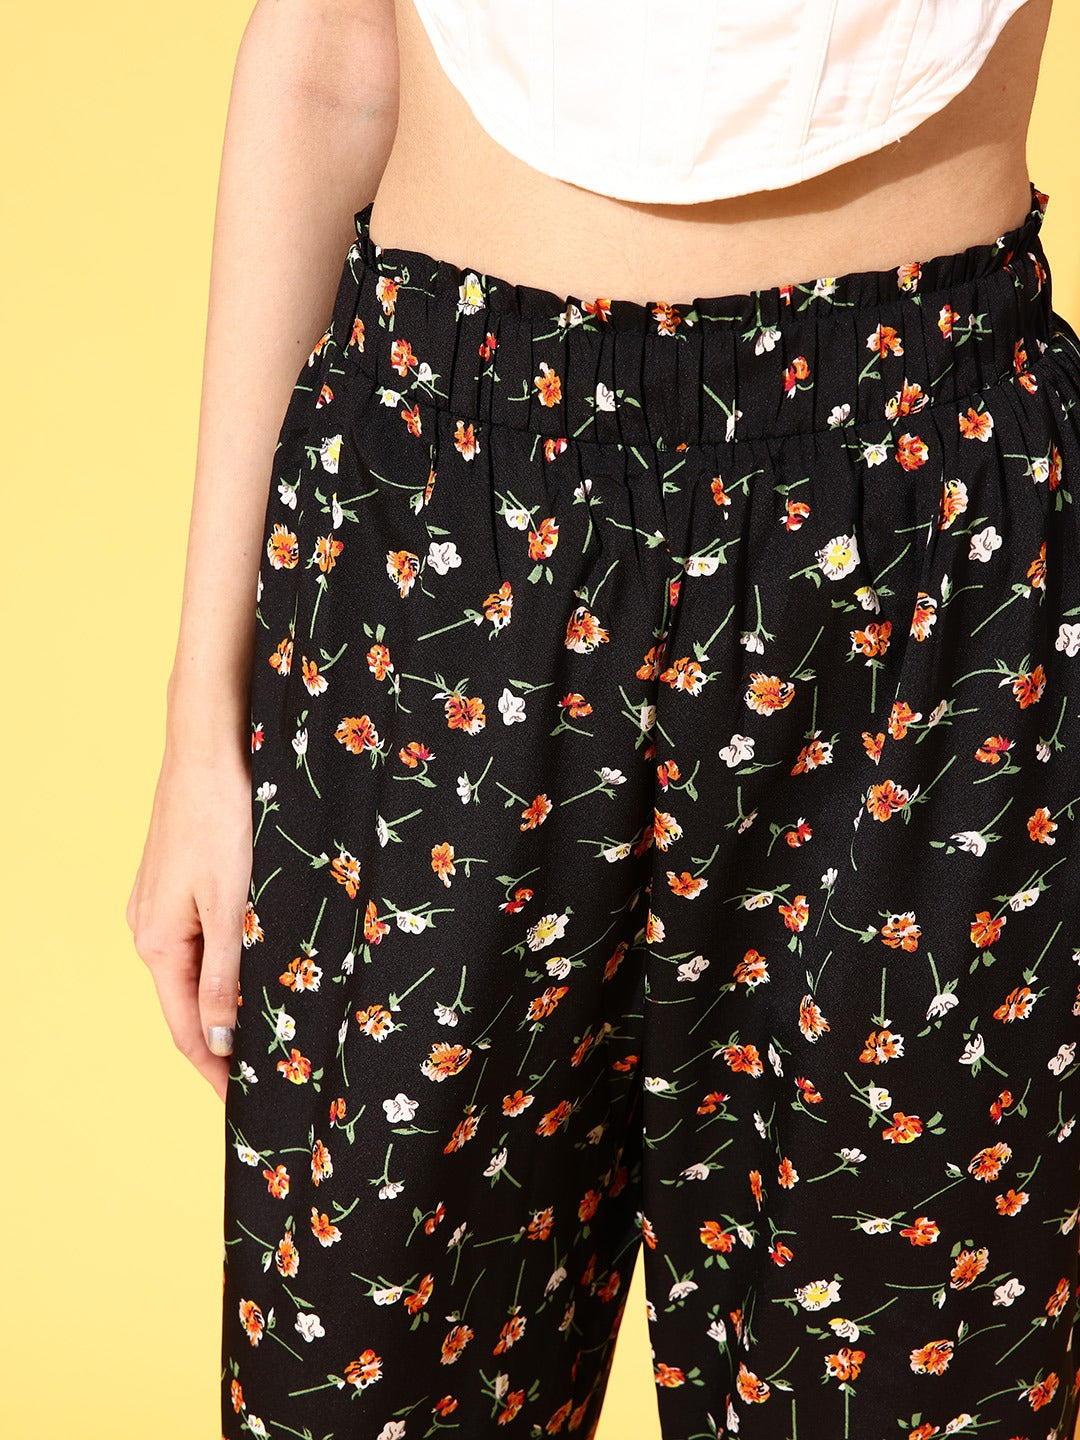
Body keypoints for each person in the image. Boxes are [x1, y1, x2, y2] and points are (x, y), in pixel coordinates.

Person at [127, 1, 1080, 1436]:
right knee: (365, 1379)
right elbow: (329, 58)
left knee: (907, 1389)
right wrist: (202, 725)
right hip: (446, 533)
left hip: (933, 555)